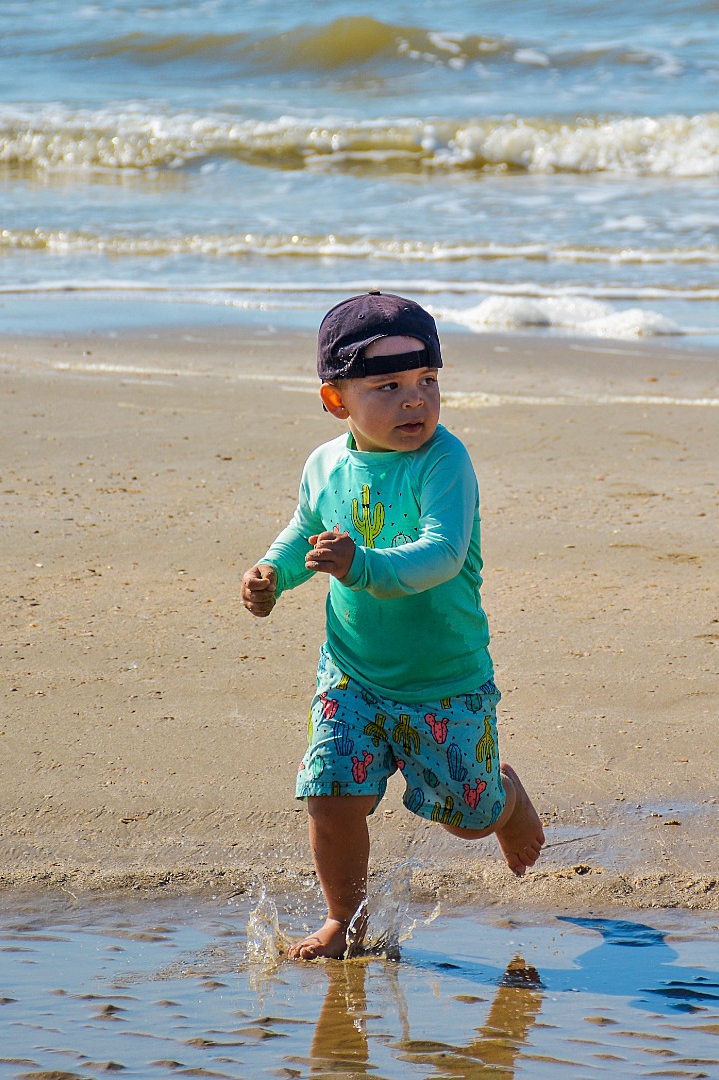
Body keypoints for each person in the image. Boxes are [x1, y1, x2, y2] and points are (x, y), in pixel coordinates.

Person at [241, 291, 545, 960]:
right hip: (352, 673)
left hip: (445, 679)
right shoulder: (325, 465)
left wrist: (361, 565)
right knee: (330, 794)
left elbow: (443, 554)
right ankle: (344, 922)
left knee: (465, 816)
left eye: (428, 381)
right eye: (389, 386)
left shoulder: (444, 462)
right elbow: (303, 534)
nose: (415, 400)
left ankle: (506, 802)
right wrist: (274, 573)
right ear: (336, 400)